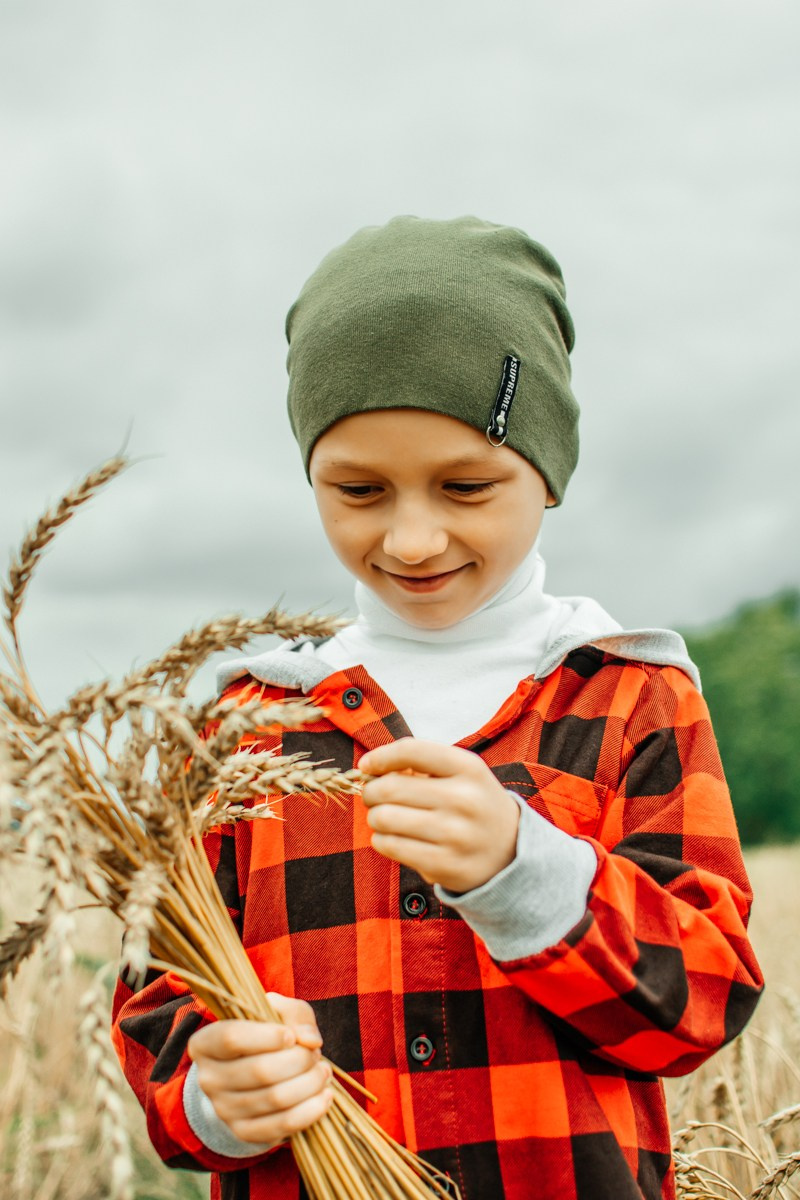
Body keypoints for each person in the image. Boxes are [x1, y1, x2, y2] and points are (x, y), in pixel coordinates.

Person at [112, 216, 764, 1200]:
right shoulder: (242, 731)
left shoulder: (630, 697)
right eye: (358, 490)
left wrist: (525, 873)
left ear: (545, 474)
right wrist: (213, 1096)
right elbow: (155, 993)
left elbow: (700, 1002)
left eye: (466, 486)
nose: (413, 538)